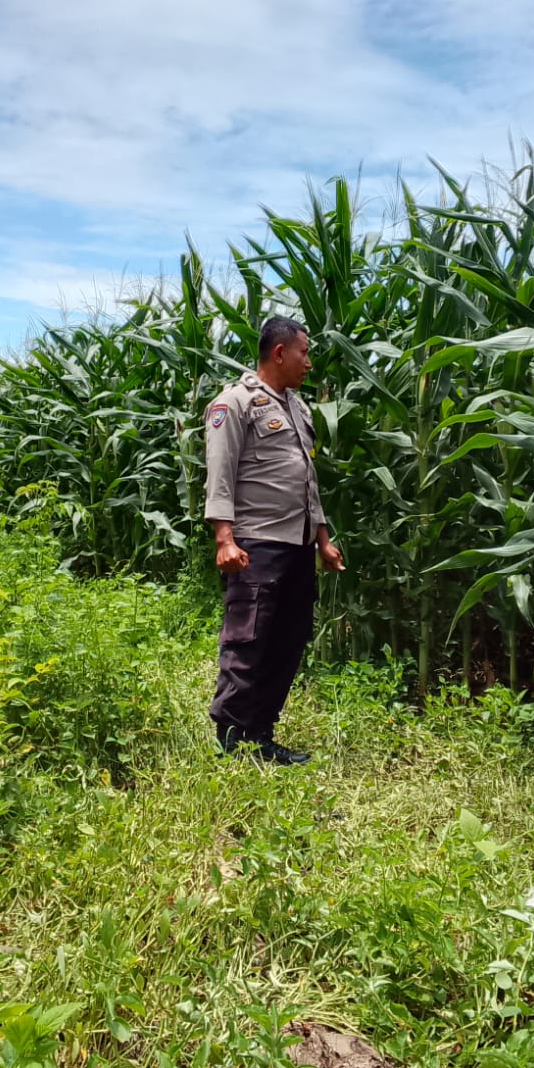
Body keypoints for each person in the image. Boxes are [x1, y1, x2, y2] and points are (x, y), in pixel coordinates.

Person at [203, 315, 345, 765]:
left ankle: (260, 735)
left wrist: (322, 539)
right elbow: (220, 474)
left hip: (297, 544)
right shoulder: (235, 403)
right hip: (256, 543)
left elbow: (307, 480)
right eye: (305, 353)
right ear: (280, 353)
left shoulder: (298, 408)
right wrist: (224, 539)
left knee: (288, 639)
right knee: (249, 640)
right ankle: (232, 740)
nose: (309, 363)